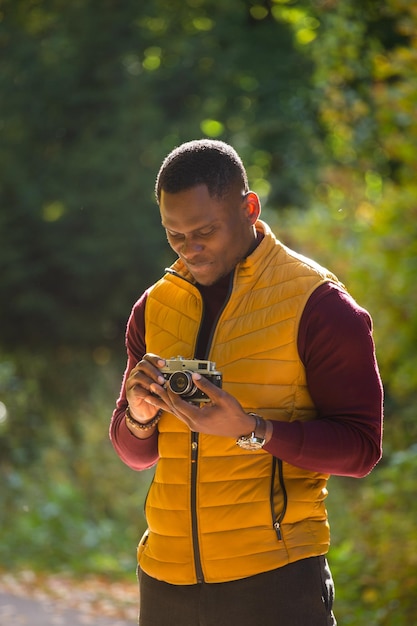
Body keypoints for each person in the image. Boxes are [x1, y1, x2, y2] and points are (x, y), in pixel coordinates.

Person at [109, 139, 383, 626]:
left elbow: (361, 449)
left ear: (249, 207)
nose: (190, 249)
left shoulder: (320, 306)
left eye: (205, 231)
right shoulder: (153, 307)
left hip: (274, 582)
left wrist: (253, 429)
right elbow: (134, 453)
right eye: (174, 235)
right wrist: (139, 415)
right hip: (164, 581)